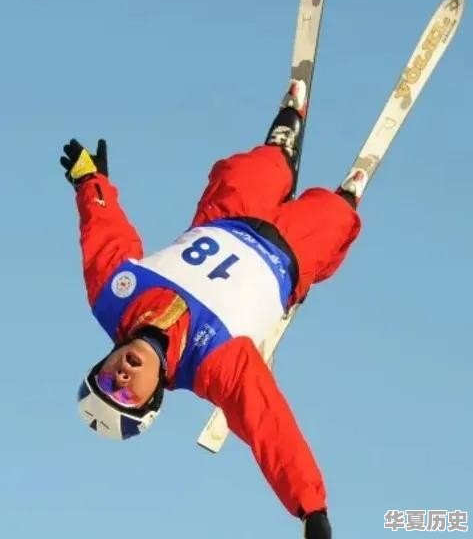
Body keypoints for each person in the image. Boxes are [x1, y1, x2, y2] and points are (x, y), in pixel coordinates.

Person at [60, 80, 363, 539]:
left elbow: (103, 234)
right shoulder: (214, 369)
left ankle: (283, 140)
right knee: (330, 219)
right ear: (153, 401)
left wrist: (91, 182)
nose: (119, 379)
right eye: (123, 396)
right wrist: (311, 509)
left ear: (102, 361)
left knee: (247, 169)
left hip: (227, 215)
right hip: (285, 255)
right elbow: (270, 427)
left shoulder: (114, 296)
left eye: (104, 380)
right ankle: (344, 200)